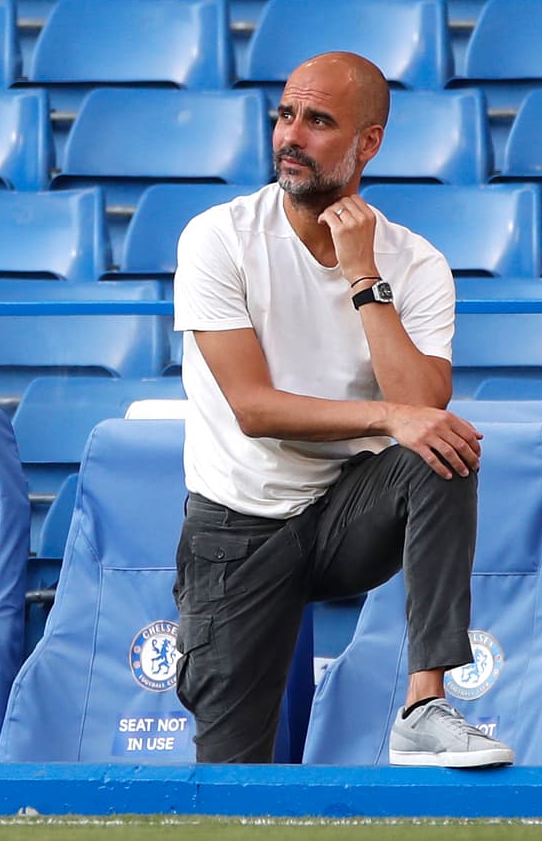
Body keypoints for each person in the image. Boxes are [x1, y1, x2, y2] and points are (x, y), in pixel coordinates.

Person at [171, 51, 514, 768]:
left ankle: (424, 705)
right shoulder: (218, 237)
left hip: (343, 515)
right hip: (237, 529)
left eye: (319, 121)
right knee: (231, 782)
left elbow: (422, 405)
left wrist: (364, 274)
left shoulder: (413, 262)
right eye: (285, 115)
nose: (291, 135)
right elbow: (254, 409)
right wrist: (386, 418)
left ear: (369, 144)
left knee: (443, 450)